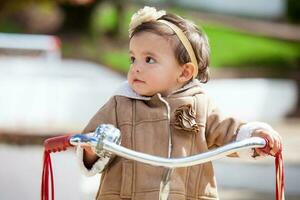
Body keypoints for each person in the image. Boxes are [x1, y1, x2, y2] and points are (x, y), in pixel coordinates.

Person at [76, 6, 282, 200]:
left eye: (149, 60)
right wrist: (92, 149)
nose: (136, 68)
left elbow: (229, 130)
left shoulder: (199, 105)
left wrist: (253, 136)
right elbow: (90, 138)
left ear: (184, 72)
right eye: (133, 59)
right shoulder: (120, 103)